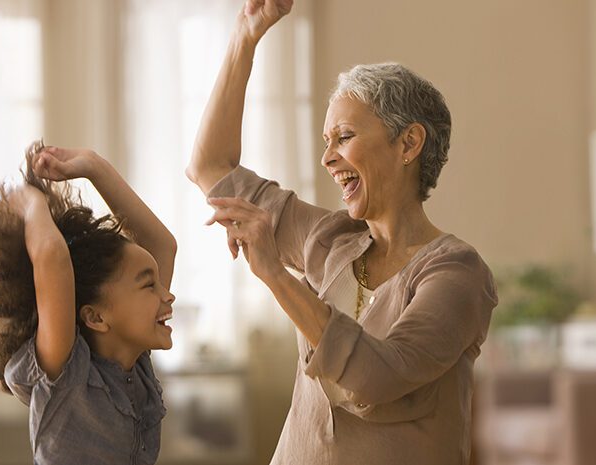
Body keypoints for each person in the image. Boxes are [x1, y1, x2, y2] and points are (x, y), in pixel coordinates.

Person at [186, 1, 497, 463]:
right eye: (326, 142)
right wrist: (245, 38)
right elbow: (210, 167)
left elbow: (379, 376)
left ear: (408, 143)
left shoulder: (456, 273)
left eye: (344, 137)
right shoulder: (330, 240)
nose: (328, 159)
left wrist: (276, 274)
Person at [0, 140, 177, 465]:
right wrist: (31, 201)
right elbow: (52, 257)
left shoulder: (132, 362)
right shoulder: (67, 372)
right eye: (149, 285)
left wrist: (93, 166)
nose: (168, 295)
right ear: (95, 316)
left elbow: (163, 245)